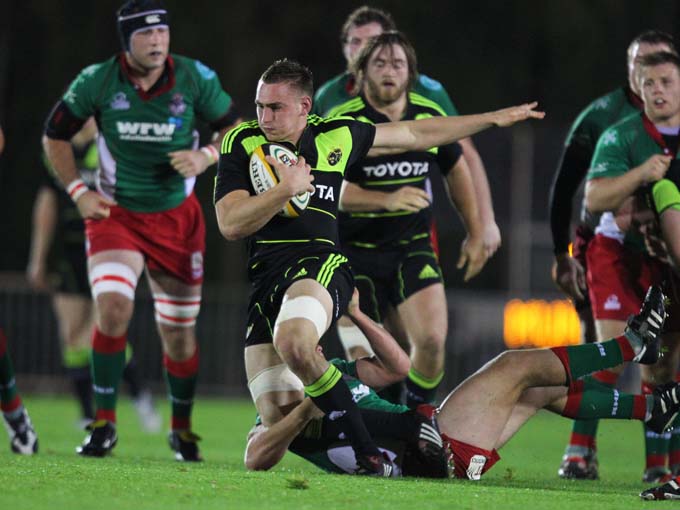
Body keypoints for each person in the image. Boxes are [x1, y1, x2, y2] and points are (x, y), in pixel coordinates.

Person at [214, 58, 543, 475]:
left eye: (275, 107)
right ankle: (402, 426)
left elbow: (415, 133)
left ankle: (369, 451)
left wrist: (491, 119)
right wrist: (286, 189)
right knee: (280, 420)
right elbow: (230, 224)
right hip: (266, 283)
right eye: (260, 106)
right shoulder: (241, 141)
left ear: (304, 106)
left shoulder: (336, 135)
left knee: (295, 342)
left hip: (321, 267)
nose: (265, 117)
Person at [42, 0, 240, 461]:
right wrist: (77, 190)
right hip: (117, 216)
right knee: (113, 308)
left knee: (179, 335)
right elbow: (54, 135)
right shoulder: (97, 80)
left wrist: (206, 156)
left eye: (162, 32)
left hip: (177, 220)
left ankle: (181, 430)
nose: (156, 41)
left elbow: (236, 127)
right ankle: (103, 424)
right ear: (126, 40)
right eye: (145, 34)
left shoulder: (194, 77)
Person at [245, 286, 680, 480]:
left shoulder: (338, 370)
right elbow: (255, 457)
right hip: (429, 453)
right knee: (514, 366)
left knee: (538, 389)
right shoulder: (284, 411)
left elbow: (397, 367)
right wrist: (310, 406)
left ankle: (654, 409)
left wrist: (357, 315)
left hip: (436, 433)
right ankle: (631, 345)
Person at [328, 31, 486, 407]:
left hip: (411, 247)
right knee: (372, 360)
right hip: (354, 252)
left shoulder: (429, 116)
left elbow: (457, 169)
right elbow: (329, 189)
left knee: (430, 342)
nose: (389, 71)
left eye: (398, 64)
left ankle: (418, 420)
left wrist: (476, 231)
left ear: (410, 72)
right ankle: (386, 424)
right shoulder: (343, 121)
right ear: (361, 72)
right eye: (380, 63)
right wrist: (385, 199)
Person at [552, 30, 678, 481]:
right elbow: (592, 196)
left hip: (666, 263)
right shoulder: (618, 132)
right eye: (649, 83)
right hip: (616, 252)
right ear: (636, 85)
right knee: (613, 353)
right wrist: (643, 174)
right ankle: (577, 454)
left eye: (666, 81)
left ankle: (660, 469)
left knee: (664, 366)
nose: (657, 90)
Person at [314, 6, 500, 264]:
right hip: (350, 227)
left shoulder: (427, 92)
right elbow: (319, 169)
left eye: (373, 41)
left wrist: (485, 222)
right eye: (355, 41)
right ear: (345, 47)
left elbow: (464, 156)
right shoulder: (329, 97)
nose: (362, 48)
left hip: (411, 225)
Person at [27, 118, 161, 432]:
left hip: (107, 248)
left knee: (101, 332)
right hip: (69, 252)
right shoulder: (57, 150)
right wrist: (38, 258)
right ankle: (88, 414)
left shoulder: (112, 147)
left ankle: (138, 396)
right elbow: (47, 204)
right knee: (72, 337)